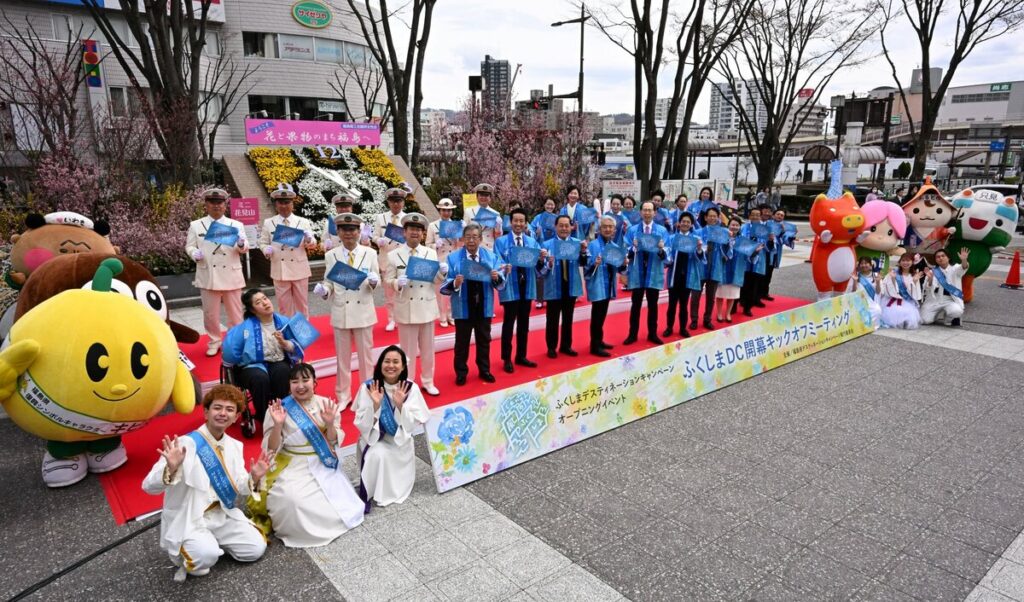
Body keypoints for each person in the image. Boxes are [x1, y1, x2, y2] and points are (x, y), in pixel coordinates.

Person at [142, 384, 271, 582]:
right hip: (190, 517)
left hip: (221, 515)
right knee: (204, 559)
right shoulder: (185, 444)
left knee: (255, 549)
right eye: (217, 408)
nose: (223, 413)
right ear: (206, 412)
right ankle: (197, 549)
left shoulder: (235, 446)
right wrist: (171, 468)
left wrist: (253, 477)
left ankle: (210, 542)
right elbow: (148, 486)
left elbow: (239, 485)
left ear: (236, 417)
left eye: (230, 410)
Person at [252, 364, 363, 548]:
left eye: (305, 380)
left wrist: (329, 424)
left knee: (335, 505)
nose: (300, 385)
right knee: (292, 500)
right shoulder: (279, 408)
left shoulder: (326, 405)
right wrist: (278, 425)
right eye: (295, 381)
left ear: (315, 382)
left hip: (321, 460)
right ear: (289, 385)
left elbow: (334, 441)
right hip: (291, 463)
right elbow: (270, 449)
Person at [314, 213, 379, 409]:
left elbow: (376, 278)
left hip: (363, 310)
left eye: (353, 230)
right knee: (342, 358)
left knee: (365, 358)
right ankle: (343, 395)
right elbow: (329, 281)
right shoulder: (331, 255)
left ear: (359, 232)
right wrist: (324, 290)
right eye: (344, 230)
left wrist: (375, 282)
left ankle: (367, 393)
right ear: (338, 232)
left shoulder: (370, 253)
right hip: (341, 310)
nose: (349, 234)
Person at [353, 345, 430, 509]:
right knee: (376, 454)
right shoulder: (369, 387)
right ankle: (373, 489)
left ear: (403, 366)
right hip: (375, 439)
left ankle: (389, 489)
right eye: (387, 361)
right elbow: (360, 421)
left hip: (399, 442)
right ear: (380, 364)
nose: (391, 365)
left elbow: (417, 419)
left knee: (383, 456)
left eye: (396, 362)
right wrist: (374, 406)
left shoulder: (410, 388)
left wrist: (401, 406)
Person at [385, 213, 445, 397]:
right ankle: (408, 382)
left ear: (422, 233)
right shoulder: (393, 255)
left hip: (426, 306)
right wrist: (396, 283)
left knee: (428, 350)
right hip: (406, 307)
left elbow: (436, 281)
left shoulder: (430, 253)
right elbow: (387, 279)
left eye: (418, 230)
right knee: (407, 352)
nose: (415, 233)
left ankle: (428, 381)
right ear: (404, 232)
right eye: (411, 229)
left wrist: (442, 272)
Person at [223, 289, 305, 421]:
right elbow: (230, 350)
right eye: (258, 302)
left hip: (277, 360)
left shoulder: (283, 321)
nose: (265, 303)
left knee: (283, 372)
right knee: (259, 378)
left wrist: (284, 343)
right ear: (253, 310)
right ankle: (264, 417)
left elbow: (297, 345)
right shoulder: (244, 328)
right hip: (251, 365)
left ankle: (282, 411)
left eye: (265, 298)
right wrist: (231, 363)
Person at [185, 188, 249, 357]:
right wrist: (194, 253)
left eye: (219, 203)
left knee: (235, 313)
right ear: (206, 205)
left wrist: (241, 244)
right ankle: (214, 341)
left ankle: (236, 341)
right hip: (208, 273)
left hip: (231, 272)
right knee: (210, 313)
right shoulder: (196, 225)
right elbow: (189, 245)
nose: (216, 206)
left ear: (225, 205)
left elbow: (243, 248)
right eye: (212, 203)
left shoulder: (235, 225)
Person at [441, 224, 505, 385]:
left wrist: (496, 276)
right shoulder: (453, 258)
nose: (471, 240)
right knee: (462, 342)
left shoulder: (490, 257)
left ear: (481, 239)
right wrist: (455, 282)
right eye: (468, 236)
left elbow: (500, 279)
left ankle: (484, 370)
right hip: (463, 306)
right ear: (463, 239)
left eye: (475, 237)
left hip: (484, 305)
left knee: (484, 340)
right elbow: (446, 281)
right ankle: (461, 372)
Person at [494, 209, 547, 371]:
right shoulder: (501, 242)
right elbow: (497, 262)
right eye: (515, 221)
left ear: (525, 223)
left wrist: (541, 258)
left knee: (524, 323)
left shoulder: (531, 242)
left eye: (521, 221)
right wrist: (504, 268)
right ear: (510, 222)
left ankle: (521, 355)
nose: (518, 224)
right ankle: (506, 358)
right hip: (511, 286)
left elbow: (539, 266)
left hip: (527, 285)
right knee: (509, 323)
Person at [259, 187, 315, 317]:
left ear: (292, 204)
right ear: (276, 204)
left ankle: (303, 334)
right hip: (280, 269)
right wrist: (265, 249)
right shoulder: (269, 222)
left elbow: (312, 244)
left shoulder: (303, 222)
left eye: (287, 202)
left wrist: (309, 239)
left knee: (302, 304)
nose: (284, 206)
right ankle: (287, 332)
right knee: (284, 306)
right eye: (281, 202)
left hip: (299, 268)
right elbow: (262, 242)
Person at [541, 215, 588, 358]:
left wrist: (583, 251)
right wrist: (548, 263)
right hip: (554, 285)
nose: (564, 228)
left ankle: (566, 345)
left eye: (567, 225)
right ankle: (551, 347)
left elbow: (583, 262)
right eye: (561, 225)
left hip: (571, 285)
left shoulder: (576, 243)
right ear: (555, 227)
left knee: (568, 318)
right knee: (552, 318)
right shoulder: (547, 245)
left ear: (571, 227)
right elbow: (540, 269)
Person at [623, 200, 669, 345]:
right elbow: (626, 250)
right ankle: (632, 334)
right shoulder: (633, 231)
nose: (647, 213)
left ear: (655, 213)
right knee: (635, 304)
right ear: (640, 212)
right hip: (637, 272)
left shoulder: (661, 231)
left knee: (653, 305)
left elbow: (668, 254)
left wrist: (662, 249)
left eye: (650, 210)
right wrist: (633, 248)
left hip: (653, 272)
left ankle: (652, 333)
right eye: (645, 210)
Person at [585, 216, 628, 356]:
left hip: (609, 284)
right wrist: (594, 263)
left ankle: (599, 340)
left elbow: (621, 270)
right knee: (596, 315)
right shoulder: (592, 245)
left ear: (614, 230)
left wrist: (623, 264)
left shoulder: (615, 247)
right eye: (605, 226)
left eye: (610, 227)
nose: (608, 229)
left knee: (602, 314)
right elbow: (585, 266)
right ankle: (594, 345)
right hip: (598, 284)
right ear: (599, 228)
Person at [373, 188, 409, 331]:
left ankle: (402, 318)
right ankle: (391, 319)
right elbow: (374, 235)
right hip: (386, 258)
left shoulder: (407, 218)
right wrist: (378, 240)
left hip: (402, 259)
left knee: (403, 291)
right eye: (393, 201)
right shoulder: (380, 218)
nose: (396, 204)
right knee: (389, 294)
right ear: (388, 202)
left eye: (399, 201)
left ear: (403, 203)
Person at [663, 212, 703, 338]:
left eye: (688, 222)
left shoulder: (695, 239)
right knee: (672, 304)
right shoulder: (672, 238)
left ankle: (682, 328)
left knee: (684, 304)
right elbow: (667, 255)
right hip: (674, 276)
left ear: (691, 225)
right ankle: (669, 327)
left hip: (687, 276)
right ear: (679, 223)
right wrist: (667, 257)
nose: (685, 224)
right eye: (683, 221)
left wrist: (699, 249)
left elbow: (700, 258)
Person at [426, 197, 462, 327]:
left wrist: (460, 235)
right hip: (440, 259)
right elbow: (427, 244)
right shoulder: (432, 225)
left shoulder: (456, 225)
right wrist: (435, 245)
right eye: (443, 210)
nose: (446, 213)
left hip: (453, 259)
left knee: (454, 287)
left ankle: (451, 314)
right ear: (440, 210)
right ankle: (442, 315)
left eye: (449, 210)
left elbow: (460, 244)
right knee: (440, 289)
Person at [692, 207, 727, 331]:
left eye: (715, 216)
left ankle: (707, 320)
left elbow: (728, 252)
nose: (712, 218)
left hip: (715, 267)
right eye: (710, 216)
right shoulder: (698, 232)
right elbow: (693, 250)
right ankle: (694, 320)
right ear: (705, 218)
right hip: (700, 268)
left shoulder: (722, 233)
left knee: (711, 297)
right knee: (695, 295)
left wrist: (728, 242)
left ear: (718, 218)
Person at [718, 216, 758, 322]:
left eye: (737, 225)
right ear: (728, 225)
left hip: (737, 269)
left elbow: (749, 256)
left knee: (732, 294)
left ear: (740, 227)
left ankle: (728, 313)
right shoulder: (722, 237)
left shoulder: (743, 241)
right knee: (720, 294)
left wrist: (755, 252)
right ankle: (719, 313)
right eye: (732, 225)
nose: (734, 227)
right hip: (723, 268)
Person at [921, 248, 969, 327]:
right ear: (935, 260)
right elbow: (927, 289)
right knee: (925, 320)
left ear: (948, 258)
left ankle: (948, 318)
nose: (941, 258)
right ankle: (933, 316)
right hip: (934, 299)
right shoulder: (932, 271)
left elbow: (963, 267)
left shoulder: (955, 268)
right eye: (938, 257)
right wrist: (930, 279)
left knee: (956, 311)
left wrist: (964, 260)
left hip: (950, 299)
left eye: (943, 256)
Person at [739, 206, 771, 316]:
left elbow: (767, 246)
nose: (755, 217)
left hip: (758, 259)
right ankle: (740, 301)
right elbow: (741, 240)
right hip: (745, 259)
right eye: (753, 215)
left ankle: (748, 306)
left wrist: (769, 240)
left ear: (760, 216)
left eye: (758, 215)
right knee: (743, 282)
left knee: (754, 283)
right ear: (749, 216)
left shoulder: (763, 229)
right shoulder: (744, 227)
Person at [880, 252, 924, 329]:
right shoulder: (894, 272)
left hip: (908, 300)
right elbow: (886, 287)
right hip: (894, 299)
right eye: (903, 260)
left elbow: (915, 293)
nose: (905, 263)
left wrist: (914, 281)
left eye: (908, 260)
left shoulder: (914, 275)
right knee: (895, 313)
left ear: (912, 262)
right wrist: (893, 279)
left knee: (909, 320)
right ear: (899, 262)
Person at [531, 198, 559, 308]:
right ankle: (539, 299)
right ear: (544, 205)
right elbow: (530, 230)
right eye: (548, 204)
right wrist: (535, 233)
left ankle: (552, 296)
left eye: (552, 204)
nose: (550, 207)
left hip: (553, 247)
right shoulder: (538, 218)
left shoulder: (557, 219)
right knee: (539, 273)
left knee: (552, 271)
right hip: (540, 247)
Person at [462, 183, 503, 249]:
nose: (483, 198)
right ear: (477, 196)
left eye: (486, 195)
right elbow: (464, 233)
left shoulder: (495, 214)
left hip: (489, 248)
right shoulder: (468, 211)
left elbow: (498, 237)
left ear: (490, 198)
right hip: (473, 247)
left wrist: (498, 227)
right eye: (481, 195)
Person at [846, 256, 882, 327]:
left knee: (877, 310)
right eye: (862, 263)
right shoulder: (855, 276)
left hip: (872, 301)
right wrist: (855, 281)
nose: (864, 265)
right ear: (859, 265)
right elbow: (852, 292)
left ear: (871, 265)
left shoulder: (876, 275)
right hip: (858, 301)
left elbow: (878, 292)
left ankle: (870, 326)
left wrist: (878, 282)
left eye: (866, 263)